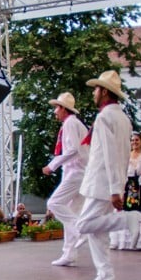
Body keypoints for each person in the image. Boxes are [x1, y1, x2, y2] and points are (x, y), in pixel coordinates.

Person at [75, 70, 132, 280]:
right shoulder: (123, 119)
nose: (94, 94)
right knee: (98, 234)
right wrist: (120, 184)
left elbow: (109, 154)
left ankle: (127, 221)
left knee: (84, 225)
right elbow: (124, 155)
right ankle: (105, 275)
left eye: (96, 89)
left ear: (105, 92)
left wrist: (115, 189)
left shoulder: (105, 117)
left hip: (102, 183)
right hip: (110, 183)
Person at [42, 92, 89, 266]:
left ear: (63, 108)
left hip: (75, 172)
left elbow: (72, 150)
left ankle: (80, 229)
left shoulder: (70, 123)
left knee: (54, 203)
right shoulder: (75, 124)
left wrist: (51, 166)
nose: (55, 112)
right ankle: (69, 253)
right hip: (80, 172)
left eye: (56, 108)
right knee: (71, 210)